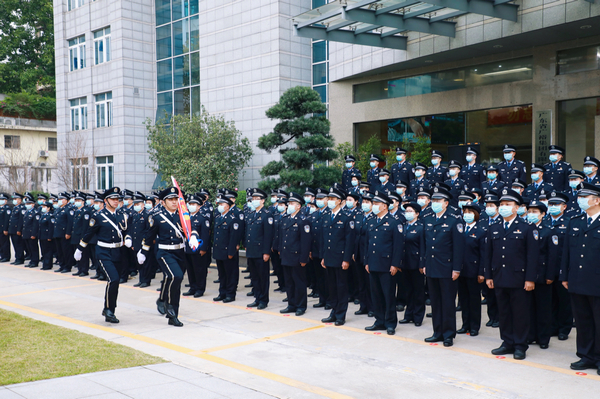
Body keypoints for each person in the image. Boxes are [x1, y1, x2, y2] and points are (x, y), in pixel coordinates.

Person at [485, 189, 538, 360]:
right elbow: (489, 255)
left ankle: (520, 345)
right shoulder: (494, 227)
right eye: (501, 205)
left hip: (519, 279)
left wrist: (530, 278)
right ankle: (507, 342)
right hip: (499, 277)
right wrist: (489, 276)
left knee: (520, 313)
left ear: (517, 208)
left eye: (508, 204)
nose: (503, 207)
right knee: (504, 312)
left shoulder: (527, 228)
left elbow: (532, 256)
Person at [139, 187, 200, 327]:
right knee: (176, 276)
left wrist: (194, 237)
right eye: (170, 200)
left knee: (174, 279)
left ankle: (162, 299)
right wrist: (143, 251)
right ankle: (172, 313)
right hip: (164, 253)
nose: (174, 202)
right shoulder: (157, 216)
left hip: (180, 253)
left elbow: (192, 228)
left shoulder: (183, 214)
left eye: (175, 199)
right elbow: (149, 236)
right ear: (163, 202)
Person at [560, 182, 600, 373]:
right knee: (583, 320)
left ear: (597, 200)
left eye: (585, 198)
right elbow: (566, 251)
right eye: (580, 197)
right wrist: (565, 275)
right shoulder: (575, 221)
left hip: (597, 281)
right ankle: (586, 355)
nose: (581, 200)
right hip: (577, 279)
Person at [75, 187, 130, 324]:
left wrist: (128, 238)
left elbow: (127, 231)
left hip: (118, 252)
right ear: (106, 201)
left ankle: (110, 308)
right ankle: (108, 310)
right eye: (113, 199)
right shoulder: (98, 216)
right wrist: (80, 248)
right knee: (114, 279)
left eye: (118, 199)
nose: (116, 201)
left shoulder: (122, 216)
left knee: (114, 282)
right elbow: (89, 233)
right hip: (104, 252)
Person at [423, 186, 464, 347]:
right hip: (432, 267)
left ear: (446, 203)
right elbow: (426, 245)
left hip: (447, 268)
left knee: (447, 303)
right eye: (433, 201)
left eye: (438, 201)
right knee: (435, 302)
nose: (435, 203)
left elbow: (458, 248)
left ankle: (448, 334)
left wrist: (456, 268)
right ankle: (437, 332)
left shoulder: (454, 220)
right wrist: (424, 264)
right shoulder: (428, 218)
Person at [364, 191, 404, 335]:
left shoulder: (394, 222)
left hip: (387, 265)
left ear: (385, 206)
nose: (374, 206)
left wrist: (395, 264)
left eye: (376, 204)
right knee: (376, 295)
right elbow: (367, 244)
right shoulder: (371, 221)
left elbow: (398, 246)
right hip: (373, 263)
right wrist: (366, 261)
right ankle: (379, 321)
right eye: (373, 204)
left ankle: (390, 322)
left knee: (388, 295)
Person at [321, 186, 356, 326]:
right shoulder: (326, 216)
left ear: (339, 201)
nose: (330, 201)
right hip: (329, 257)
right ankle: (333, 312)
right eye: (328, 199)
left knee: (341, 287)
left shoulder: (346, 218)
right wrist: (323, 256)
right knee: (332, 287)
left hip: (340, 258)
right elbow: (325, 240)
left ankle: (341, 314)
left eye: (332, 199)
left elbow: (349, 241)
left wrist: (346, 259)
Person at [525, 200, 557, 349]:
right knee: (529, 307)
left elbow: (552, 256)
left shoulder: (548, 231)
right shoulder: (525, 229)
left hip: (543, 275)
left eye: (535, 212)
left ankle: (543, 338)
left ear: (543, 214)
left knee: (543, 308)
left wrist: (550, 275)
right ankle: (531, 335)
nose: (531, 214)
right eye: (529, 211)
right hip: (527, 276)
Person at [543, 191, 573, 341]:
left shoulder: (569, 222)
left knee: (564, 301)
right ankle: (552, 327)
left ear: (564, 206)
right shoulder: (545, 221)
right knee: (550, 301)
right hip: (547, 268)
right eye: (551, 204)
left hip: (563, 268)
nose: (553, 207)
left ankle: (564, 328)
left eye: (556, 204)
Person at [279, 193, 311, 316]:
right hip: (287, 256)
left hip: (297, 257)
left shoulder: (303, 220)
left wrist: (304, 258)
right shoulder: (286, 219)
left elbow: (305, 242)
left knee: (299, 282)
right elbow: (283, 238)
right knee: (289, 282)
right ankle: (291, 304)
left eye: (292, 204)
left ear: (298, 206)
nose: (289, 205)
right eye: (289, 203)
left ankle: (301, 306)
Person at [457, 204, 485, 337]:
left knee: (474, 300)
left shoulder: (481, 231)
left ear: (475, 214)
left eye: (469, 212)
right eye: (465, 212)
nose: (466, 214)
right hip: (461, 271)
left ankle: (474, 326)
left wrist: (481, 272)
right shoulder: (460, 229)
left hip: (474, 271)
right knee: (463, 299)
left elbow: (483, 254)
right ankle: (465, 324)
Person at [245, 188, 274, 310]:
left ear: (263, 201)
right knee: (255, 277)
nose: (254, 201)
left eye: (257, 199)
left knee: (263, 277)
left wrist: (266, 252)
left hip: (261, 252)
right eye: (253, 199)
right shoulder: (251, 214)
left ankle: (263, 300)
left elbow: (268, 236)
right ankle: (257, 298)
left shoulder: (266, 215)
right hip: (251, 251)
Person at [399, 202, 425, 327]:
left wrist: (422, 263)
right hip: (405, 263)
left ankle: (418, 316)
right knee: (407, 291)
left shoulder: (420, 227)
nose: (407, 213)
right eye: (406, 211)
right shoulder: (403, 226)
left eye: (410, 211)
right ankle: (408, 314)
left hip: (416, 264)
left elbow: (423, 247)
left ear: (417, 214)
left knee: (418, 291)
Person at [212, 194, 240, 303]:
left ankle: (230, 294)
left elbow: (233, 238)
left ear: (227, 206)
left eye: (222, 204)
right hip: (219, 251)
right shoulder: (218, 217)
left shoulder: (232, 219)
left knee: (230, 274)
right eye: (219, 204)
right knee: (222, 274)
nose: (219, 206)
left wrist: (231, 252)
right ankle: (222, 293)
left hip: (228, 252)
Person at [353, 191, 375, 317]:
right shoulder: (359, 216)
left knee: (369, 283)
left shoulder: (374, 218)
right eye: (364, 202)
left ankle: (372, 307)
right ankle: (363, 306)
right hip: (358, 254)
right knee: (360, 282)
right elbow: (355, 235)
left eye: (368, 202)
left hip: (369, 254)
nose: (365, 204)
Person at [310, 188, 330, 309]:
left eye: (322, 199)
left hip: (326, 252)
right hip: (316, 251)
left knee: (328, 278)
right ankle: (322, 299)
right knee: (319, 277)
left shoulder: (329, 213)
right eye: (318, 199)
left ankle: (329, 300)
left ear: (327, 200)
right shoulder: (315, 214)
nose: (319, 201)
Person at [130, 193, 150, 287]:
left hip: (144, 243)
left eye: (138, 204)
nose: (136, 206)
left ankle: (146, 280)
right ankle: (141, 280)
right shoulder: (134, 215)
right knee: (139, 263)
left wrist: (145, 243)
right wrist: (133, 244)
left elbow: (148, 231)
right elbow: (133, 229)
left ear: (143, 204)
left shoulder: (147, 215)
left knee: (145, 263)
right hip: (136, 243)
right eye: (135, 205)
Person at [22, 195, 40, 268]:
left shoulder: (35, 213)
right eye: (27, 204)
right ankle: (31, 260)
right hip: (26, 233)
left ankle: (35, 261)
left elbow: (35, 225)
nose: (27, 205)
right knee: (29, 248)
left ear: (33, 204)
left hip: (31, 234)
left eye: (29, 204)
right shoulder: (26, 212)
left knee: (33, 248)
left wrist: (34, 234)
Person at [8, 193, 26, 265]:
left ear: (20, 200)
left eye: (16, 199)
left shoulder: (21, 208)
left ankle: (20, 259)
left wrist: (19, 230)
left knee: (19, 245)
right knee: (15, 245)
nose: (14, 200)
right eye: (14, 199)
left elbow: (21, 221)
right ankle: (17, 258)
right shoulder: (15, 208)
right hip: (12, 230)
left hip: (17, 230)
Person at [38, 201, 54, 270]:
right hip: (42, 236)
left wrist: (49, 237)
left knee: (48, 251)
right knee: (44, 251)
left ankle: (48, 265)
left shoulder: (50, 216)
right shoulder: (43, 215)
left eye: (44, 207)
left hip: (47, 236)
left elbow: (51, 227)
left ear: (48, 208)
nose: (43, 208)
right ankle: (45, 264)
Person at [0, 193, 11, 262]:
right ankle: (2, 255)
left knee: (5, 244)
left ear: (6, 201)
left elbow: (7, 220)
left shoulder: (7, 209)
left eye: (2, 199)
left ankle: (6, 256)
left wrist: (5, 229)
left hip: (3, 229)